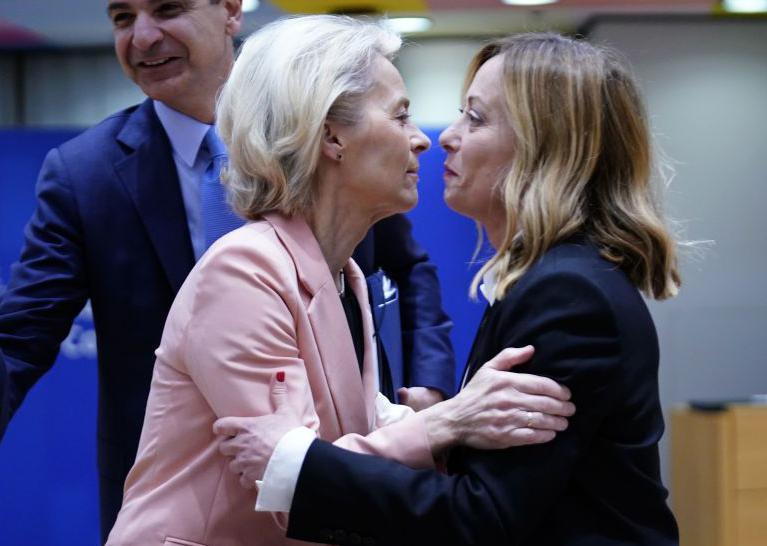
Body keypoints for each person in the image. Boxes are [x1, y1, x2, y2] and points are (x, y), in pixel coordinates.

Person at [106, 16, 575, 546]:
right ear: (331, 135)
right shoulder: (243, 272)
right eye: (400, 116)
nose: (422, 140)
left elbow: (334, 449)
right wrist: (450, 423)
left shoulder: (346, 273)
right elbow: (290, 484)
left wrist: (450, 418)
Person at [0, 0, 454, 539]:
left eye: (168, 9)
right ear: (330, 139)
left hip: (317, 483)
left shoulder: (346, 240)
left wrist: (431, 397)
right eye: (122, 18)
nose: (143, 37)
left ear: (232, 12)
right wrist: (445, 428)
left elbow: (406, 268)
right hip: (194, 503)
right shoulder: (86, 173)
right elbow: (18, 337)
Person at [216, 32, 683, 546]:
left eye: (476, 118)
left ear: (544, 148)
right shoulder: (557, 278)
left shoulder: (567, 291)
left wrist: (299, 470)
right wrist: (442, 423)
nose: (443, 137)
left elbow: (484, 517)